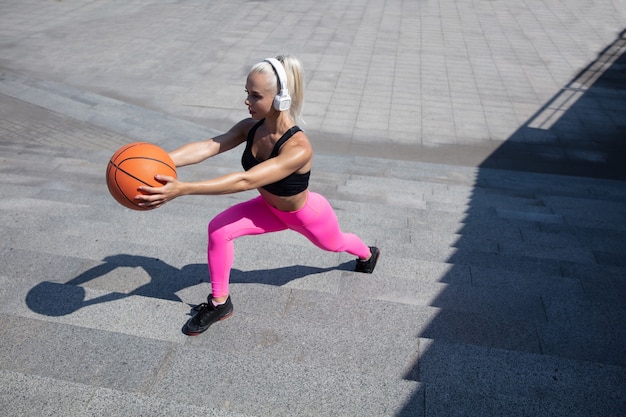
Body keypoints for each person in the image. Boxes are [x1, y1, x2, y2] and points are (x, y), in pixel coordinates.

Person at [136, 55, 380, 336]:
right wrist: (159, 160)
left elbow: (245, 180)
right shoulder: (250, 127)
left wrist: (183, 189)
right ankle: (219, 302)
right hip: (268, 209)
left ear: (280, 99)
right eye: (247, 93)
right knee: (218, 229)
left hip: (304, 215)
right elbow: (208, 146)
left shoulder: (298, 148)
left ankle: (367, 253)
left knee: (335, 244)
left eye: (255, 95)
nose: (247, 101)